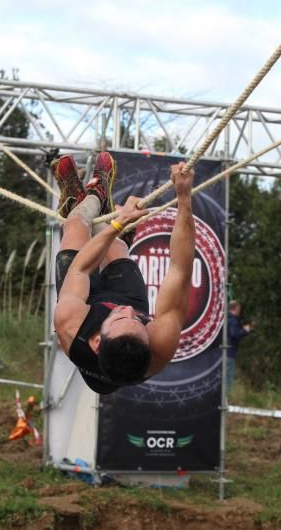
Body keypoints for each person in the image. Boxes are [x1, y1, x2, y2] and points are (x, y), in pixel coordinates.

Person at [50, 150, 195, 394]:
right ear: (147, 340)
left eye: (120, 317)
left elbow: (82, 268)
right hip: (120, 307)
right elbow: (180, 269)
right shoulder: (160, 345)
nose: (127, 311)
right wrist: (184, 197)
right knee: (115, 246)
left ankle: (90, 198)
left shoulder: (70, 325)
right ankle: (110, 224)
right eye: (138, 320)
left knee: (76, 226)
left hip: (86, 306)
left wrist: (118, 224)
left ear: (96, 341)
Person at [226, 299, 254, 395]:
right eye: (239, 308)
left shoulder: (226, 318)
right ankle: (227, 396)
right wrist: (245, 330)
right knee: (228, 377)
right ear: (236, 308)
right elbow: (234, 334)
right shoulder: (233, 320)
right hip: (229, 353)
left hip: (224, 352)